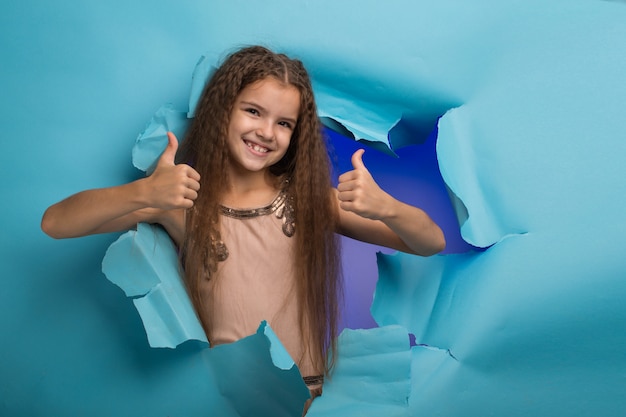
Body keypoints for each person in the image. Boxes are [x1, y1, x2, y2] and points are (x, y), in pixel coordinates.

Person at [41, 45, 445, 407]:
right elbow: (56, 222)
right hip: (225, 399)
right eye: (253, 111)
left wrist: (387, 207)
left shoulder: (308, 201)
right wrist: (143, 193)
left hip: (304, 399)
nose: (266, 132)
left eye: (284, 123)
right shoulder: (181, 200)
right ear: (224, 110)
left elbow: (430, 242)